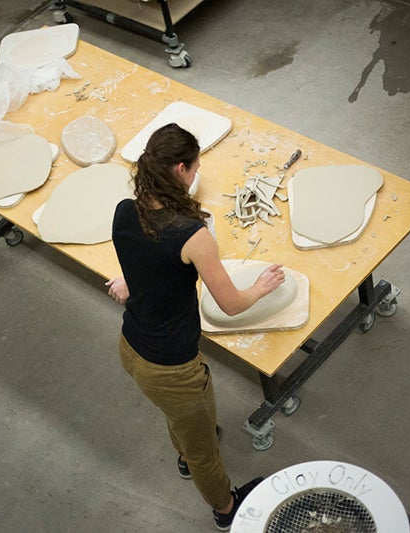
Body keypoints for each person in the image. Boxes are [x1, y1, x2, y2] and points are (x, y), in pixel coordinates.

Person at [106, 123, 286, 530]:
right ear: (183, 170)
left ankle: (186, 455)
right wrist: (259, 287)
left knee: (182, 420)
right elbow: (229, 303)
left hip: (131, 347)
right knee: (206, 450)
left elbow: (144, 261)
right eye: (196, 166)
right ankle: (226, 510)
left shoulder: (124, 210)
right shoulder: (193, 235)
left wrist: (130, 282)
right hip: (173, 369)